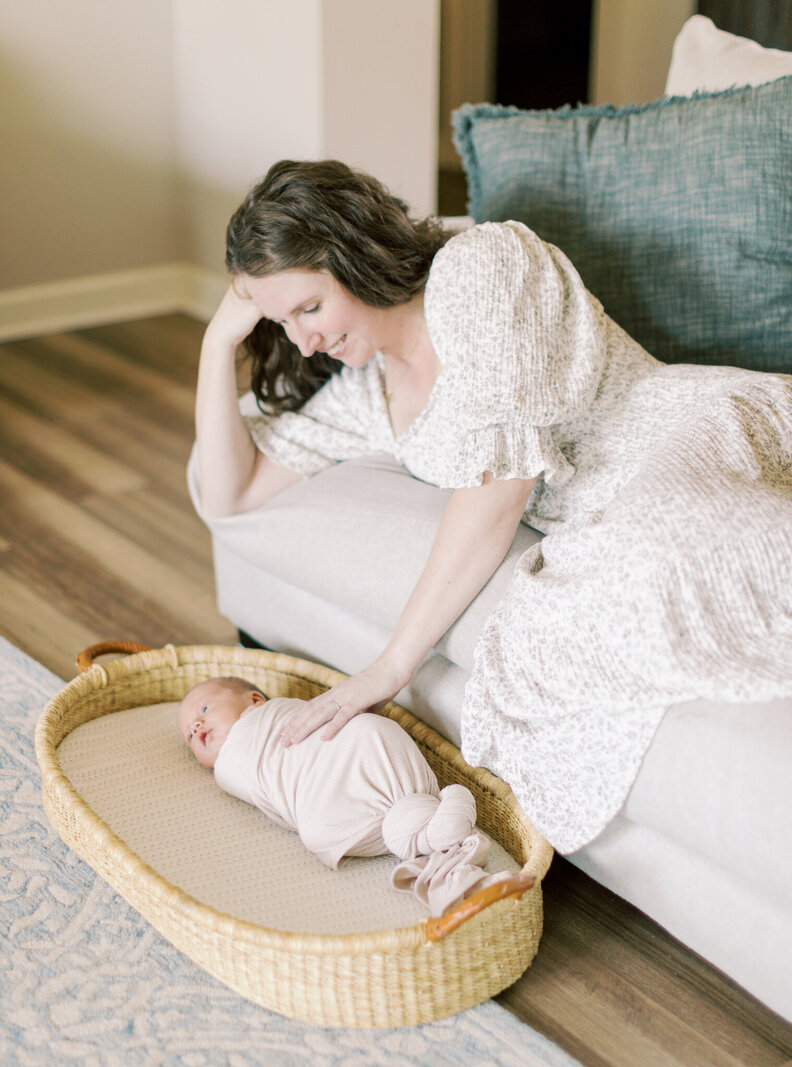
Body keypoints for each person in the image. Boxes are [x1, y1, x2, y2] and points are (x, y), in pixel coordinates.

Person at [193, 158, 792, 853]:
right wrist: (216, 344)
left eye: (309, 307)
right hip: (610, 516)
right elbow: (229, 494)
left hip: (689, 432)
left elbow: (498, 489)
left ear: (354, 254)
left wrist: (390, 666)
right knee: (549, 626)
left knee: (668, 550)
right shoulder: (367, 392)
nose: (304, 342)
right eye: (280, 320)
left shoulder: (480, 266)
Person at [177, 675, 508, 915]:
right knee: (317, 832)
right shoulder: (228, 772)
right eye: (190, 735)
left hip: (355, 748)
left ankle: (440, 843)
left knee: (366, 732)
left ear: (254, 700)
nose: (197, 725)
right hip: (321, 795)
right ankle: (454, 869)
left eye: (204, 707)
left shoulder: (269, 715)